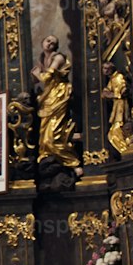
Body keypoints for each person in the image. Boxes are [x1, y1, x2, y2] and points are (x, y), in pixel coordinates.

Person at [31, 34, 80, 167]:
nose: (49, 44)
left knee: (55, 131)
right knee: (44, 129)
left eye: (53, 43)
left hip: (59, 94)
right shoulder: (43, 59)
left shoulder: (57, 57)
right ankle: (48, 155)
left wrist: (37, 75)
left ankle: (71, 162)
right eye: (48, 41)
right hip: (50, 94)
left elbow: (47, 77)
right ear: (42, 42)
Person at [102, 62, 133, 156]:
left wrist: (116, 95)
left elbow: (124, 90)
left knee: (115, 132)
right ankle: (125, 151)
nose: (105, 71)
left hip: (121, 107)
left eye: (107, 68)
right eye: (104, 68)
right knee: (112, 133)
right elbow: (104, 93)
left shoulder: (118, 77)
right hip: (117, 106)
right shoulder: (112, 79)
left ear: (112, 69)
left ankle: (126, 151)